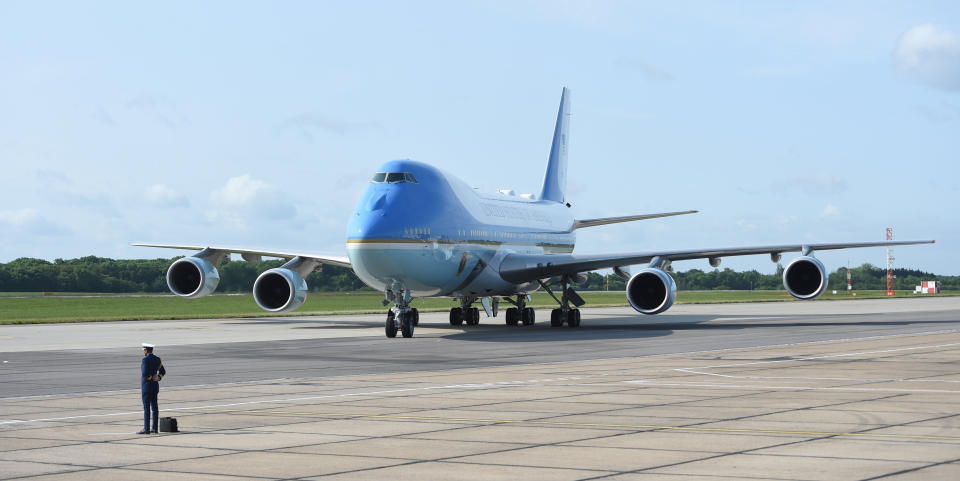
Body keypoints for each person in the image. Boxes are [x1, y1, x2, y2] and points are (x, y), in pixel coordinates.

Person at [138, 343, 166, 434]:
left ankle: (146, 429)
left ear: (146, 350)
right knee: (154, 408)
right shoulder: (157, 359)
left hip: (147, 386)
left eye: (144, 350)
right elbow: (163, 371)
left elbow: (145, 373)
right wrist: (158, 377)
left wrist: (150, 377)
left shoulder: (145, 360)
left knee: (146, 408)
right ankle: (154, 428)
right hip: (154, 386)